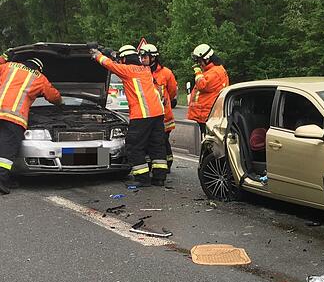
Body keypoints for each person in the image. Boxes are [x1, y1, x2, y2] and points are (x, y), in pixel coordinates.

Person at [0, 53, 63, 195]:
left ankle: (1, 177)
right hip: (14, 116)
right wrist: (60, 102)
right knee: (8, 147)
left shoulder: (8, 67)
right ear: (39, 68)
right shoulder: (39, 77)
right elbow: (54, 96)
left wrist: (4, 57)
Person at [91, 45, 168, 186]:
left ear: (125, 59)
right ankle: (159, 178)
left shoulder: (128, 70)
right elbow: (118, 62)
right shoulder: (145, 69)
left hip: (142, 115)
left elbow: (109, 65)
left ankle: (142, 178)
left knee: (134, 146)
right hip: (157, 113)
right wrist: (110, 53)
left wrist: (97, 55)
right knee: (156, 145)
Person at [140, 43, 178, 170]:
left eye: (145, 57)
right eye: (141, 57)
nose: (142, 59)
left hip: (164, 115)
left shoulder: (166, 73)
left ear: (153, 57)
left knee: (162, 141)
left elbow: (172, 91)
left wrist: (166, 101)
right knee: (150, 141)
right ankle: (152, 164)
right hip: (148, 114)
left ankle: (167, 163)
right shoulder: (140, 71)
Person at [186, 43, 229, 137]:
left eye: (200, 61)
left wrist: (197, 73)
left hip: (205, 114)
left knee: (205, 142)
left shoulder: (215, 72)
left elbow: (202, 85)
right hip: (202, 114)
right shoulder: (211, 70)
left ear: (207, 58)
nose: (199, 64)